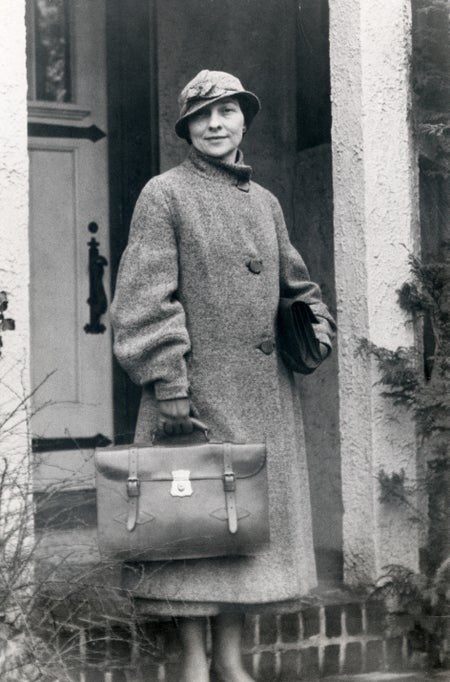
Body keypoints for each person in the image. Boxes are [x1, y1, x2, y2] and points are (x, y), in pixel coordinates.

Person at [110, 70, 335, 682]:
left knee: (241, 529)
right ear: (187, 129)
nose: (215, 124)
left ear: (244, 121)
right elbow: (143, 298)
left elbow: (299, 284)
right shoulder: (166, 194)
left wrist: (315, 324)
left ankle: (232, 661)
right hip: (195, 393)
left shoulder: (265, 203)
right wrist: (169, 383)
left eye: (227, 111)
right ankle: (191, 663)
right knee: (194, 529)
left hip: (263, 396)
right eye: (202, 116)